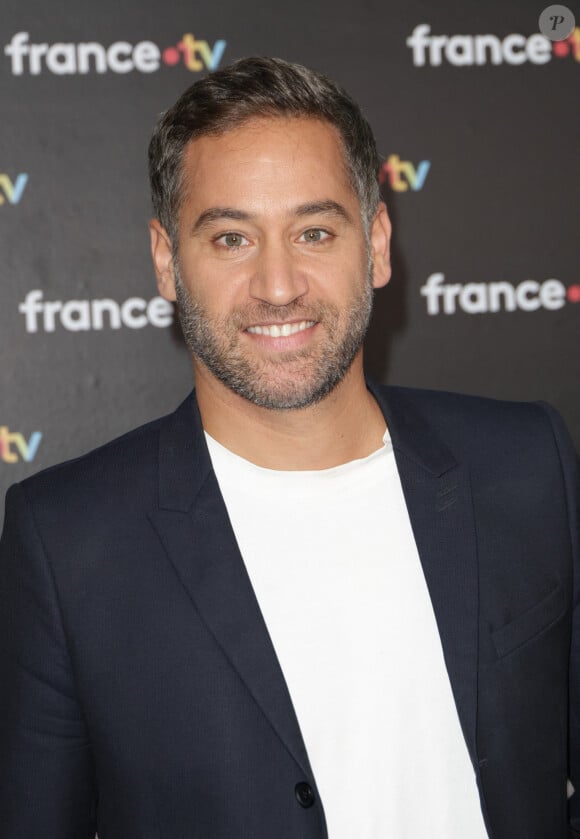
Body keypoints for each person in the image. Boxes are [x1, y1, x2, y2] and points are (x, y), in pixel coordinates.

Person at [0, 56, 578, 839]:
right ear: (168, 261)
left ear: (376, 244)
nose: (278, 284)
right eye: (232, 238)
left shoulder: (526, 465)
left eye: (314, 231)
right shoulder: (66, 542)